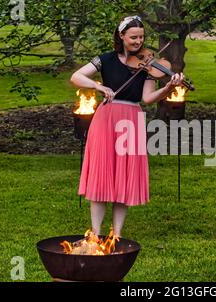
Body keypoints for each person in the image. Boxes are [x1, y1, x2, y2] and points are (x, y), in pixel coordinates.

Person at [71, 15, 184, 237]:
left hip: (131, 118)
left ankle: (118, 234)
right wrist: (99, 87)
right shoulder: (106, 59)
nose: (138, 41)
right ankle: (95, 233)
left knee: (124, 177)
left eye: (141, 37)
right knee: (101, 175)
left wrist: (169, 88)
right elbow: (77, 76)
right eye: (133, 37)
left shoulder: (147, 64)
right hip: (106, 119)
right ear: (121, 36)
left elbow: (148, 98)